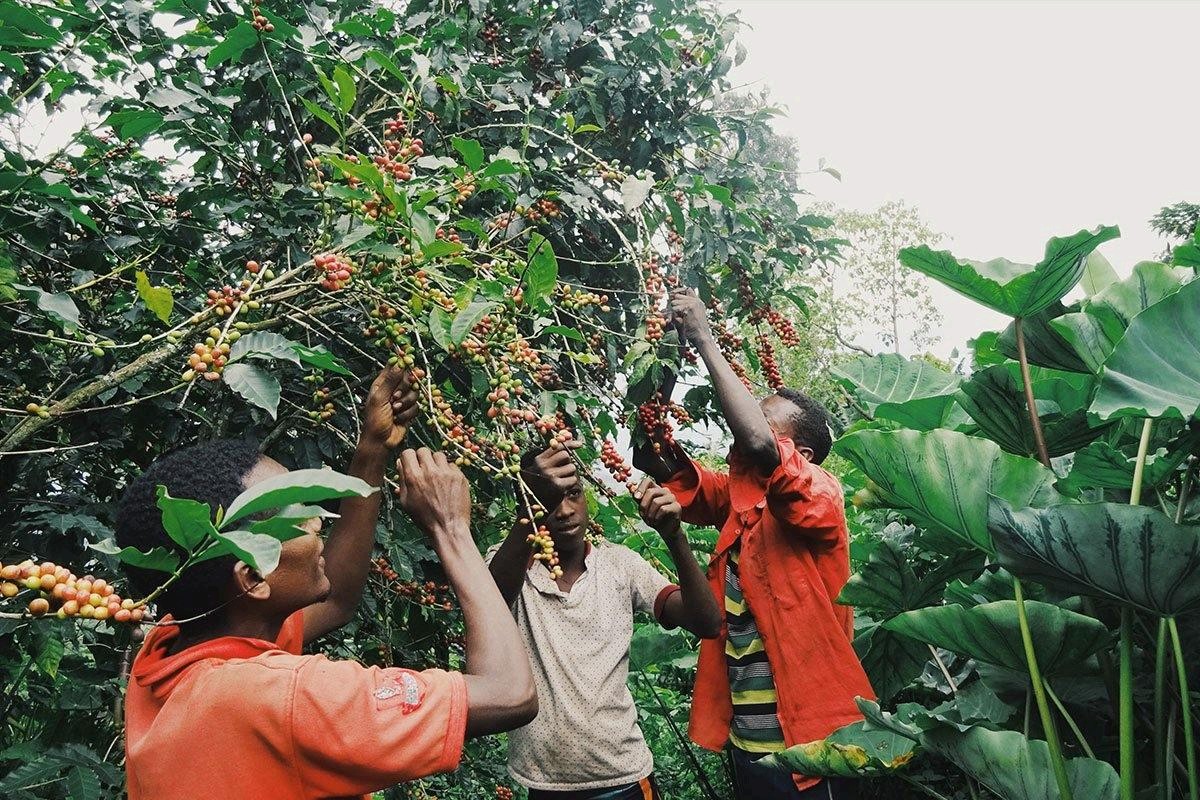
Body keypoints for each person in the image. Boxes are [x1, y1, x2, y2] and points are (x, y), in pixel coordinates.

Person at [115, 366, 537, 800]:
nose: (317, 521)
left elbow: (335, 597)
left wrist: (372, 449)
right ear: (254, 577)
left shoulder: (168, 649)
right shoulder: (283, 698)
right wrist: (450, 529)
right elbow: (509, 695)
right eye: (297, 517)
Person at [634, 289, 874, 800]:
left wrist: (704, 338)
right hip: (751, 747)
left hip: (815, 748)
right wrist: (669, 352)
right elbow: (652, 456)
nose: (745, 425)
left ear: (803, 453)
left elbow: (761, 446)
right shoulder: (739, 500)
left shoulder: (821, 494)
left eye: (766, 420)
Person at [485, 435, 723, 800]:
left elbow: (706, 622)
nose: (564, 510)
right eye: (549, 499)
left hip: (624, 778)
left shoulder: (619, 565)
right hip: (546, 785)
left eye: (573, 494)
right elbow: (490, 603)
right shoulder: (511, 567)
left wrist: (675, 537)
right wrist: (532, 506)